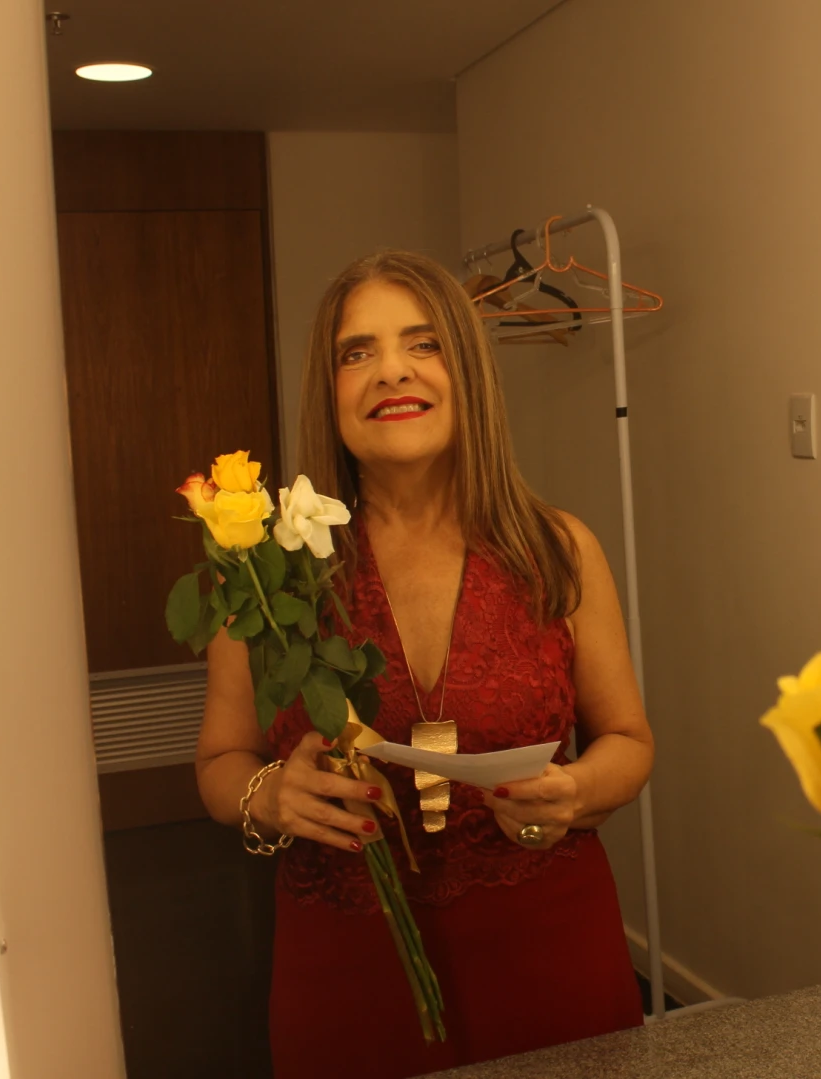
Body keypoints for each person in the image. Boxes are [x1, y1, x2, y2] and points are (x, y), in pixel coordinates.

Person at [194, 251, 653, 1077]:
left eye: (423, 342)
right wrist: (268, 794)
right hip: (347, 976)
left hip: (554, 962)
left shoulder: (558, 549)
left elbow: (629, 740)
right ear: (330, 389)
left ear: (467, 370)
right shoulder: (269, 574)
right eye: (357, 351)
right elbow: (220, 760)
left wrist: (578, 790)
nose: (391, 370)